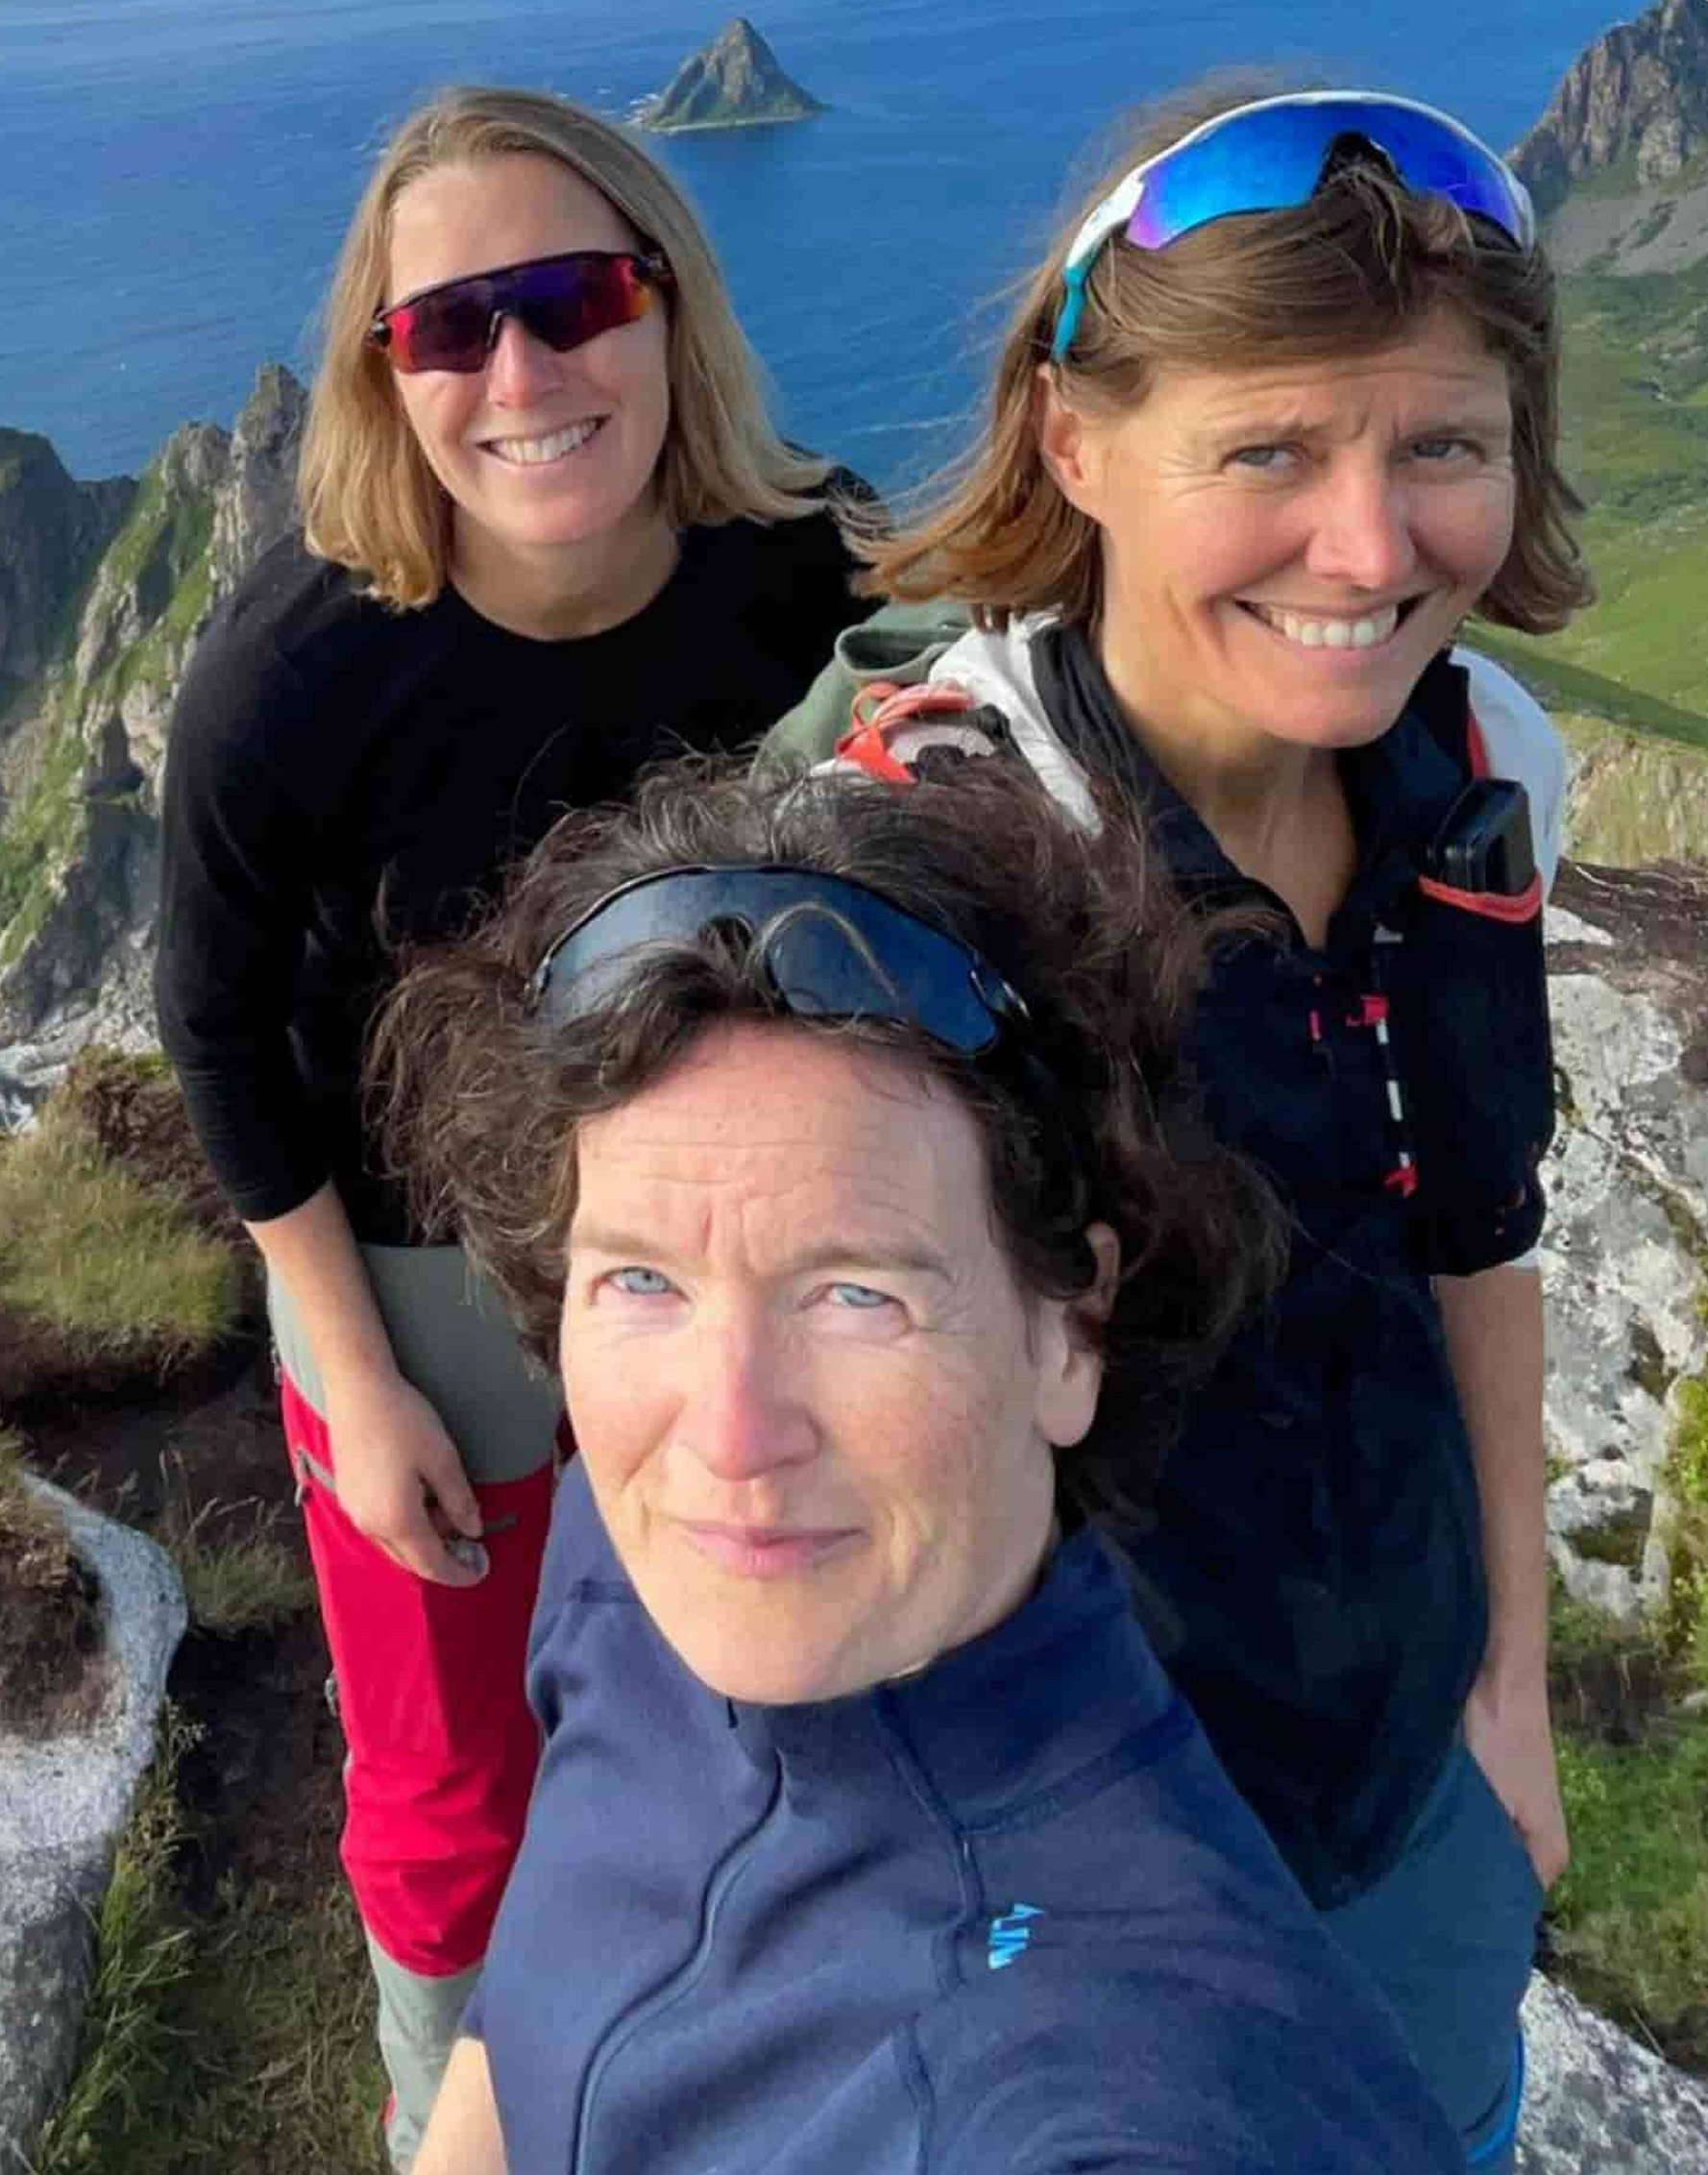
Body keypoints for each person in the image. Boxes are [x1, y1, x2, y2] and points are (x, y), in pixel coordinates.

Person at [763, 87, 1593, 2172]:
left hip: (1402, 1776)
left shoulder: (1482, 767)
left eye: (1441, 448)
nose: (1370, 551)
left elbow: (1473, 1228)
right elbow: (739, 1454)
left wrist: (1507, 1681)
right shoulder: (907, 879)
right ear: (1075, 447)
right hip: (1051, 1850)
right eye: (1267, 453)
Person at [368, 751, 1463, 2175]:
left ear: (1069, 1331)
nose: (726, 1435)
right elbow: (530, 2003)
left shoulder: (1150, 2078)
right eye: (641, 1280)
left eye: (855, 1295)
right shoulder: (634, 1559)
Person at [153, 86, 866, 2168]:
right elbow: (214, 1028)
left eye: (574, 300)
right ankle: (447, 2109)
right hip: (413, 1265)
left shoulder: (803, 564)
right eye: (449, 328)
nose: (523, 372)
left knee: (741, 1670)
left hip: (719, 1225)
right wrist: (351, 1376)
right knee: (455, 1772)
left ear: (669, 306)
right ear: (388, 378)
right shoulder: (293, 673)